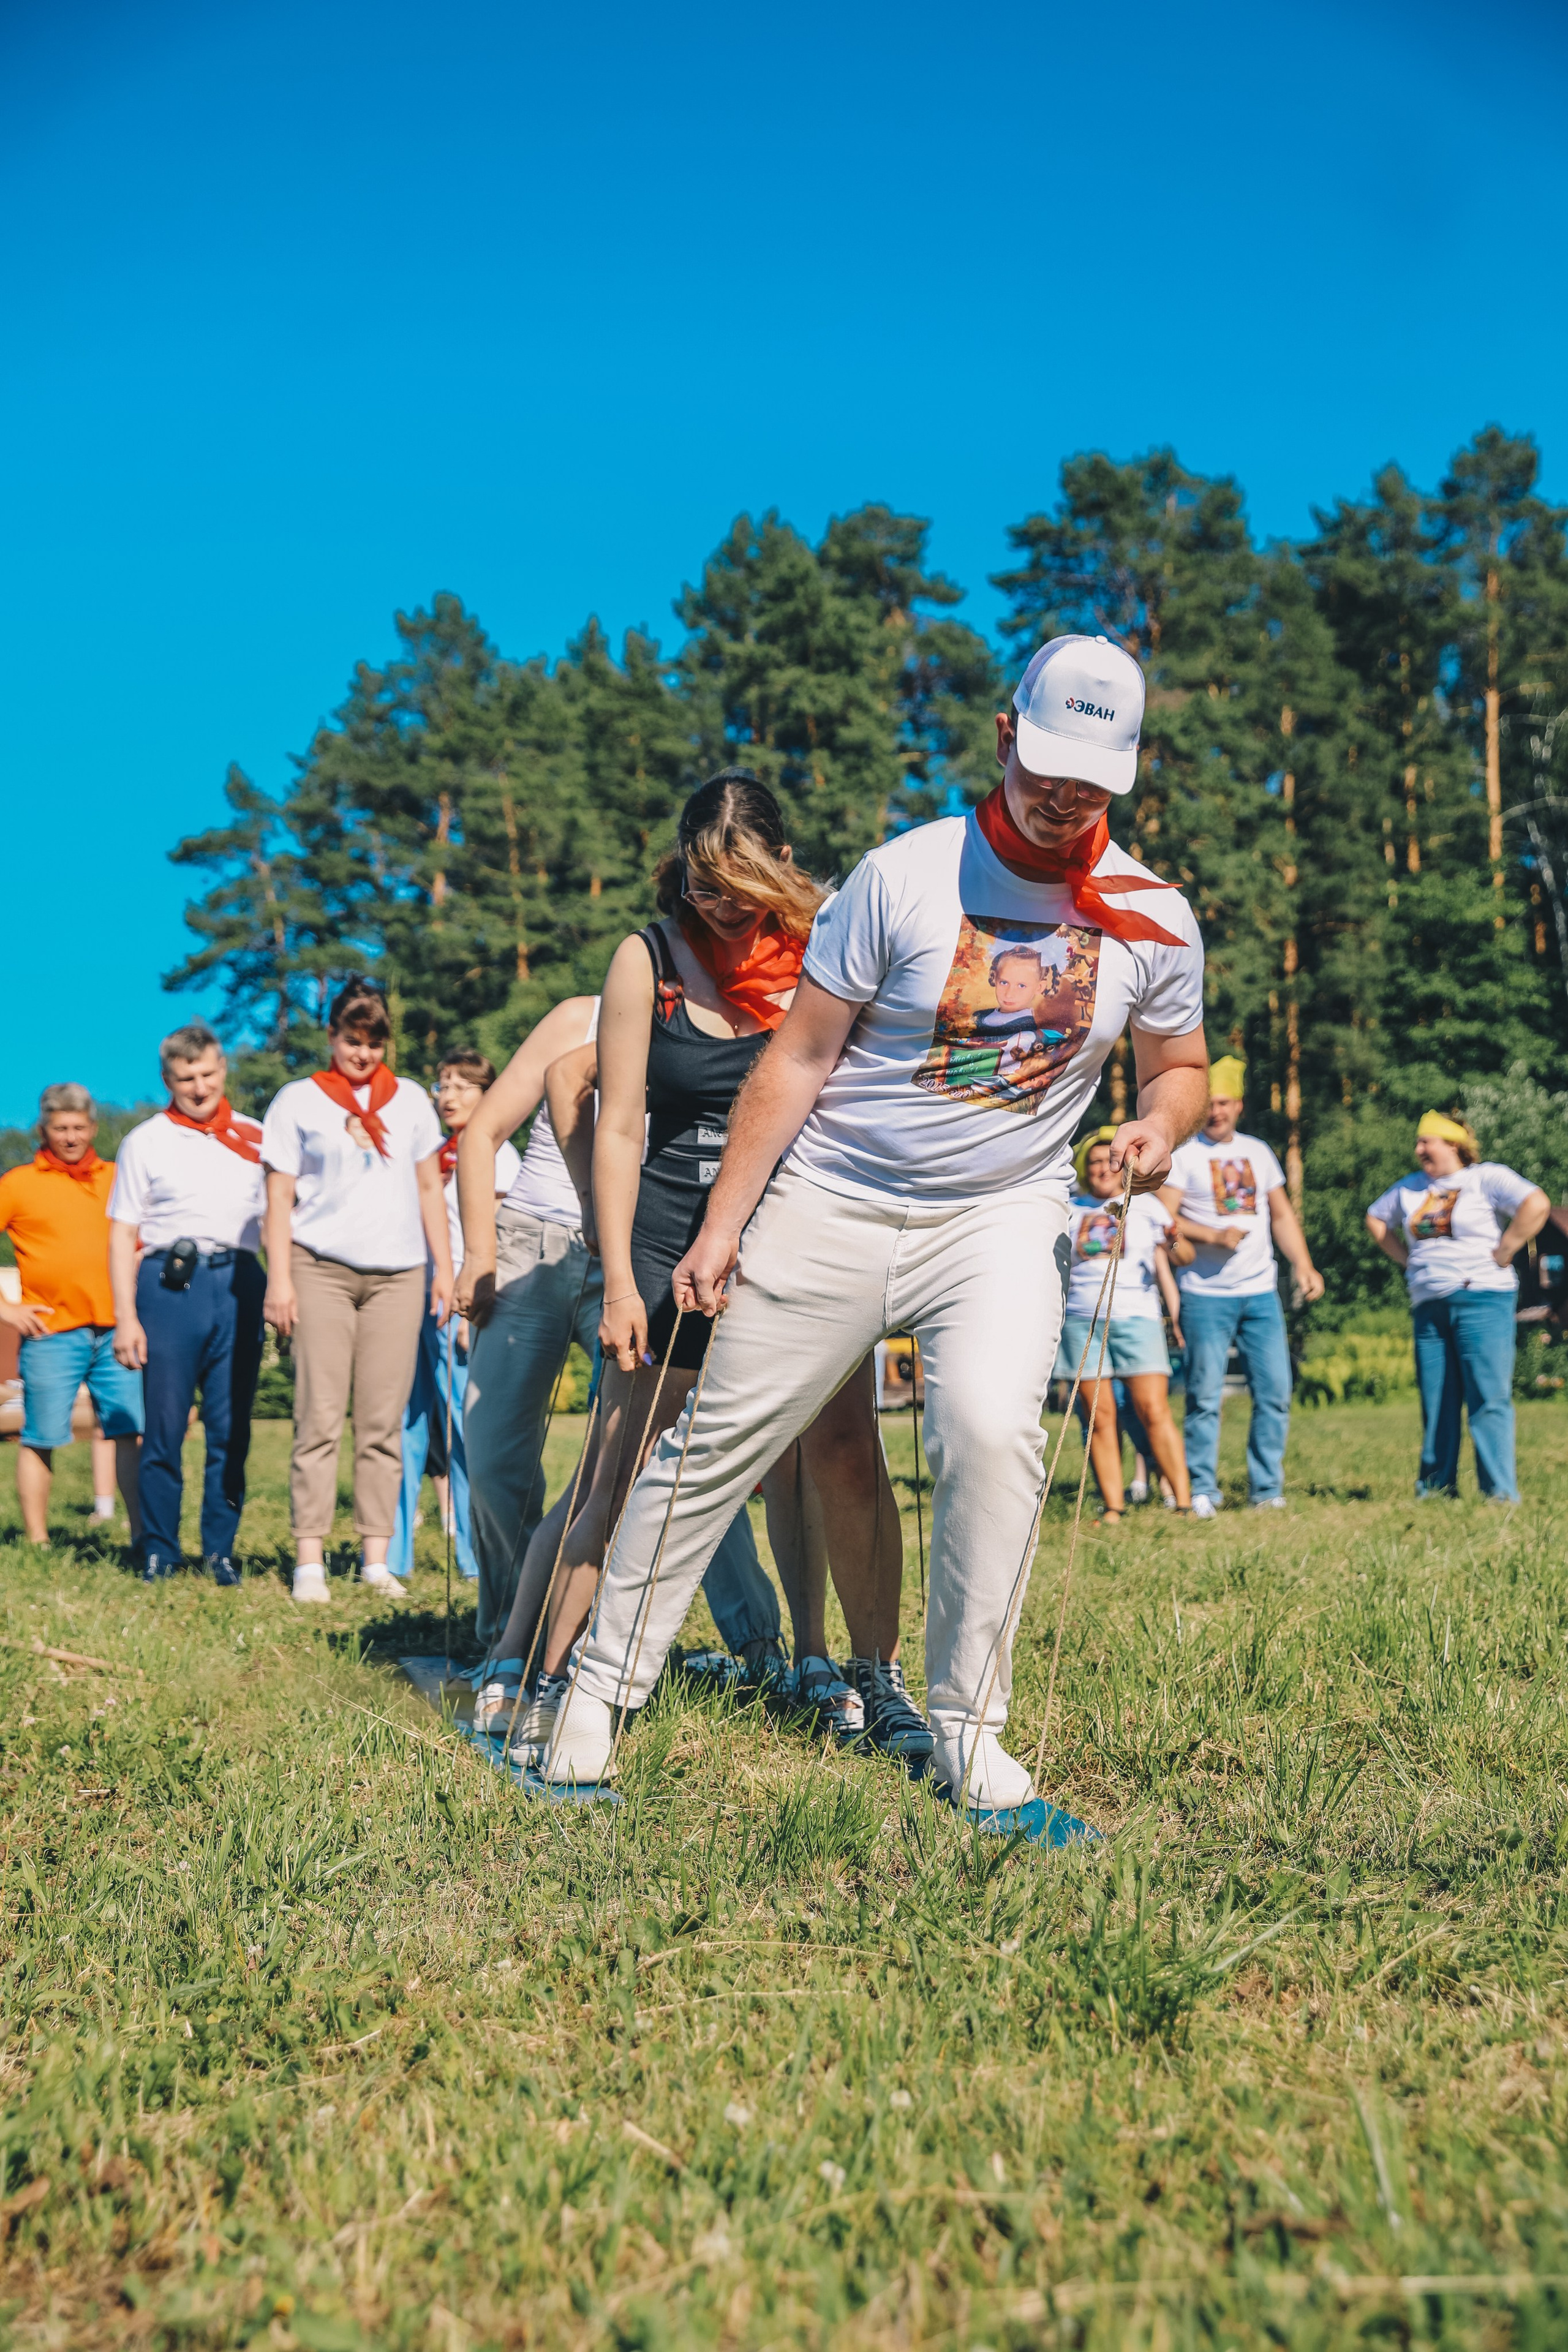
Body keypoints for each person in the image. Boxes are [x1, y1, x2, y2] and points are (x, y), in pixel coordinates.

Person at [545, 633, 1210, 1809]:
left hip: (1001, 1214)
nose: (1063, 803)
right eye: (1047, 770)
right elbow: (796, 1064)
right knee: (714, 1445)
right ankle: (601, 1688)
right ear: (1006, 739)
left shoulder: (1153, 916)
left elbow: (1179, 1068)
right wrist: (720, 1231)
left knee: (989, 1433)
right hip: (836, 1199)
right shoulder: (902, 877)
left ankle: (966, 1726)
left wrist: (1157, 1132)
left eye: (1091, 785)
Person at [513, 773, 921, 1764]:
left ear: (780, 867)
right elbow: (613, 1124)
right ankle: (542, 1683)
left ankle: (870, 1677)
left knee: (836, 1449)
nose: (719, 907)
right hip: (665, 1241)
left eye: (738, 886)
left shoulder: (830, 944)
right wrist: (617, 1280)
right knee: (619, 1464)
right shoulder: (645, 960)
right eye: (701, 885)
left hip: (796, 1236)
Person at [260, 979, 453, 1601]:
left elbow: (429, 1189)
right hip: (320, 1269)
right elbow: (280, 1196)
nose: (363, 1054)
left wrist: (443, 1270)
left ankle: (375, 1559)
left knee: (381, 1422)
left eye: (374, 1043)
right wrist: (280, 1280)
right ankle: (309, 1560)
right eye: (351, 1040)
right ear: (331, 1038)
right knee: (318, 1417)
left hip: (398, 1276)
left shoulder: (413, 1102)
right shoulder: (298, 1102)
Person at [455, 995, 606, 1648]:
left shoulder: (720, 1023)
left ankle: (755, 1643)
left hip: (630, 1255)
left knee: (655, 1448)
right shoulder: (580, 1018)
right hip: (530, 1243)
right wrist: (480, 1255)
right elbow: (481, 1133)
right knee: (491, 1457)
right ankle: (512, 1635)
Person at [107, 1022, 267, 1583]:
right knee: (167, 1425)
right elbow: (121, 1233)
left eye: (206, 1074)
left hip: (240, 1280)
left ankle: (220, 1551)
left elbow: (281, 1219)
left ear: (223, 1069)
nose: (198, 1088)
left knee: (231, 1426)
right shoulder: (145, 1141)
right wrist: (126, 1317)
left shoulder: (256, 1136)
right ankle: (159, 1549)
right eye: (185, 1079)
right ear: (166, 1080)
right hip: (170, 1287)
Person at [1159, 1057, 1323, 1516]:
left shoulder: (1258, 1152)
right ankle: (1202, 1489)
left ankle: (1267, 1489)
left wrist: (1304, 1266)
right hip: (1205, 1294)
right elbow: (1164, 1217)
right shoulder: (1185, 1155)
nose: (1217, 1111)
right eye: (1209, 1103)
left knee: (1274, 1389)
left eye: (1225, 1103)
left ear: (1239, 1106)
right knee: (1204, 1394)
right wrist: (1212, 1235)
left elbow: (1283, 1215)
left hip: (1260, 1293)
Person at [1366, 1112, 1550, 1504]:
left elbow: (1537, 1204)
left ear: (1453, 1144)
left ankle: (1498, 1494)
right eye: (1418, 1143)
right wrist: (1408, 1262)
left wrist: (1507, 1248)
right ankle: (1435, 1490)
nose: (1419, 1150)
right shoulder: (1410, 1189)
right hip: (1429, 1303)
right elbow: (1376, 1219)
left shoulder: (1485, 1178)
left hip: (1483, 1298)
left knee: (1487, 1396)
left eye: (1426, 1142)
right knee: (1437, 1399)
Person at [388, 1050, 521, 1583]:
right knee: (407, 1425)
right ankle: (391, 1557)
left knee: (467, 1435)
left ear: (490, 1094)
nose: (449, 1096)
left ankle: (474, 1558)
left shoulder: (497, 1155)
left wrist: (473, 1309)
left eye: (464, 1086)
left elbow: (495, 1238)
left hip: (460, 1307)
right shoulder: (437, 1155)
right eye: (442, 1085)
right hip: (416, 1301)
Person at [0, 1085, 143, 1548]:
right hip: (51, 1332)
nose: (70, 1137)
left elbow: (143, 1243)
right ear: (44, 1130)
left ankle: (144, 1536)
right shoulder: (18, 1183)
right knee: (40, 1436)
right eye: (60, 1128)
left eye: (79, 1128)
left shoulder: (119, 1178)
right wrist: (8, 1310)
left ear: (93, 1129)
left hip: (117, 1329)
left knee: (129, 1433)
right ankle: (38, 1542)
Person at [1057, 1125, 1193, 1523]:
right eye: (1094, 1161)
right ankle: (1113, 1507)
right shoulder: (1068, 1207)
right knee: (1098, 1416)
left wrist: (1175, 1241)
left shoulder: (1147, 1204)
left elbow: (1181, 1258)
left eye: (1108, 1160)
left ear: (1123, 1166)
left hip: (1137, 1317)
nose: (1101, 1168)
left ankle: (1183, 1502)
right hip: (1082, 1322)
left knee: (1153, 1409)